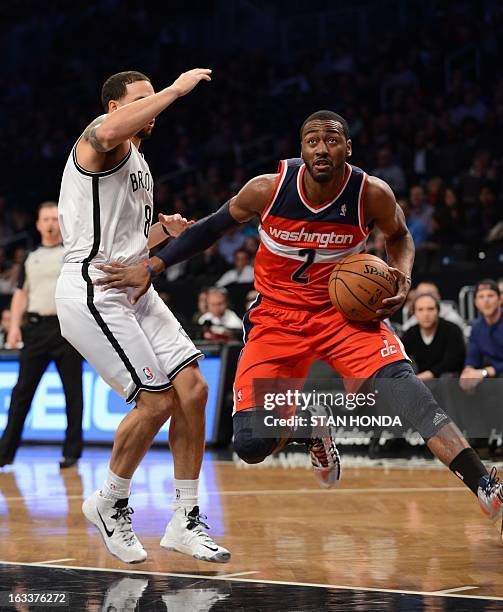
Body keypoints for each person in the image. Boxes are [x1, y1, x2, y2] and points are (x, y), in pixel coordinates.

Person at [96, 110, 503, 529]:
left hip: (343, 316)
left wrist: (403, 275)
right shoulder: (267, 190)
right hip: (275, 318)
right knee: (252, 445)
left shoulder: (371, 194)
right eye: (312, 141)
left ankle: (485, 486)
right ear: (301, 149)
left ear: (348, 147)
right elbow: (211, 228)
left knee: (409, 394)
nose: (322, 149)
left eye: (331, 140)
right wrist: (155, 265)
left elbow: (399, 236)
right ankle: (312, 430)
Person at [55, 69, 230, 564]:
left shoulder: (138, 161)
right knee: (156, 402)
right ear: (114, 106)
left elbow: (122, 238)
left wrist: (160, 234)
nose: (153, 106)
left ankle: (185, 519)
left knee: (193, 390)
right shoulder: (100, 139)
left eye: (155, 98)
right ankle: (110, 502)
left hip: (133, 284)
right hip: (94, 287)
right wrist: (174, 90)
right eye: (142, 99)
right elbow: (107, 133)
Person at [0, 202, 83, 469]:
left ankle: (71, 452)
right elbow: (21, 293)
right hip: (35, 330)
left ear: (61, 223)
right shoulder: (30, 257)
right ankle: (5, 453)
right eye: (45, 219)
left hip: (66, 330)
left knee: (73, 393)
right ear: (37, 224)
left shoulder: (73, 254)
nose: (49, 224)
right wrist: (14, 325)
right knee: (21, 392)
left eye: (54, 219)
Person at [401, 293, 465, 379]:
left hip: (446, 379)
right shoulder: (410, 333)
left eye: (430, 309)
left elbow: (453, 361)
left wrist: (430, 374)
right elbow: (401, 358)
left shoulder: (452, 330)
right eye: (420, 310)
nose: (426, 314)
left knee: (447, 378)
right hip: (420, 380)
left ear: (438, 311)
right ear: (414, 313)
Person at [460, 279, 503, 392]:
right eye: (481, 296)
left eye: (490, 295)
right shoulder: (476, 326)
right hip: (491, 374)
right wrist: (468, 371)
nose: (486, 300)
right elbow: (472, 357)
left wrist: (486, 372)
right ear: (476, 303)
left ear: (500, 299)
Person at [401, 281, 466, 333]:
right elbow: (405, 330)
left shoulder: (452, 318)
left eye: (427, 294)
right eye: (419, 295)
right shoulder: (418, 315)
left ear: (438, 297)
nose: (425, 314)